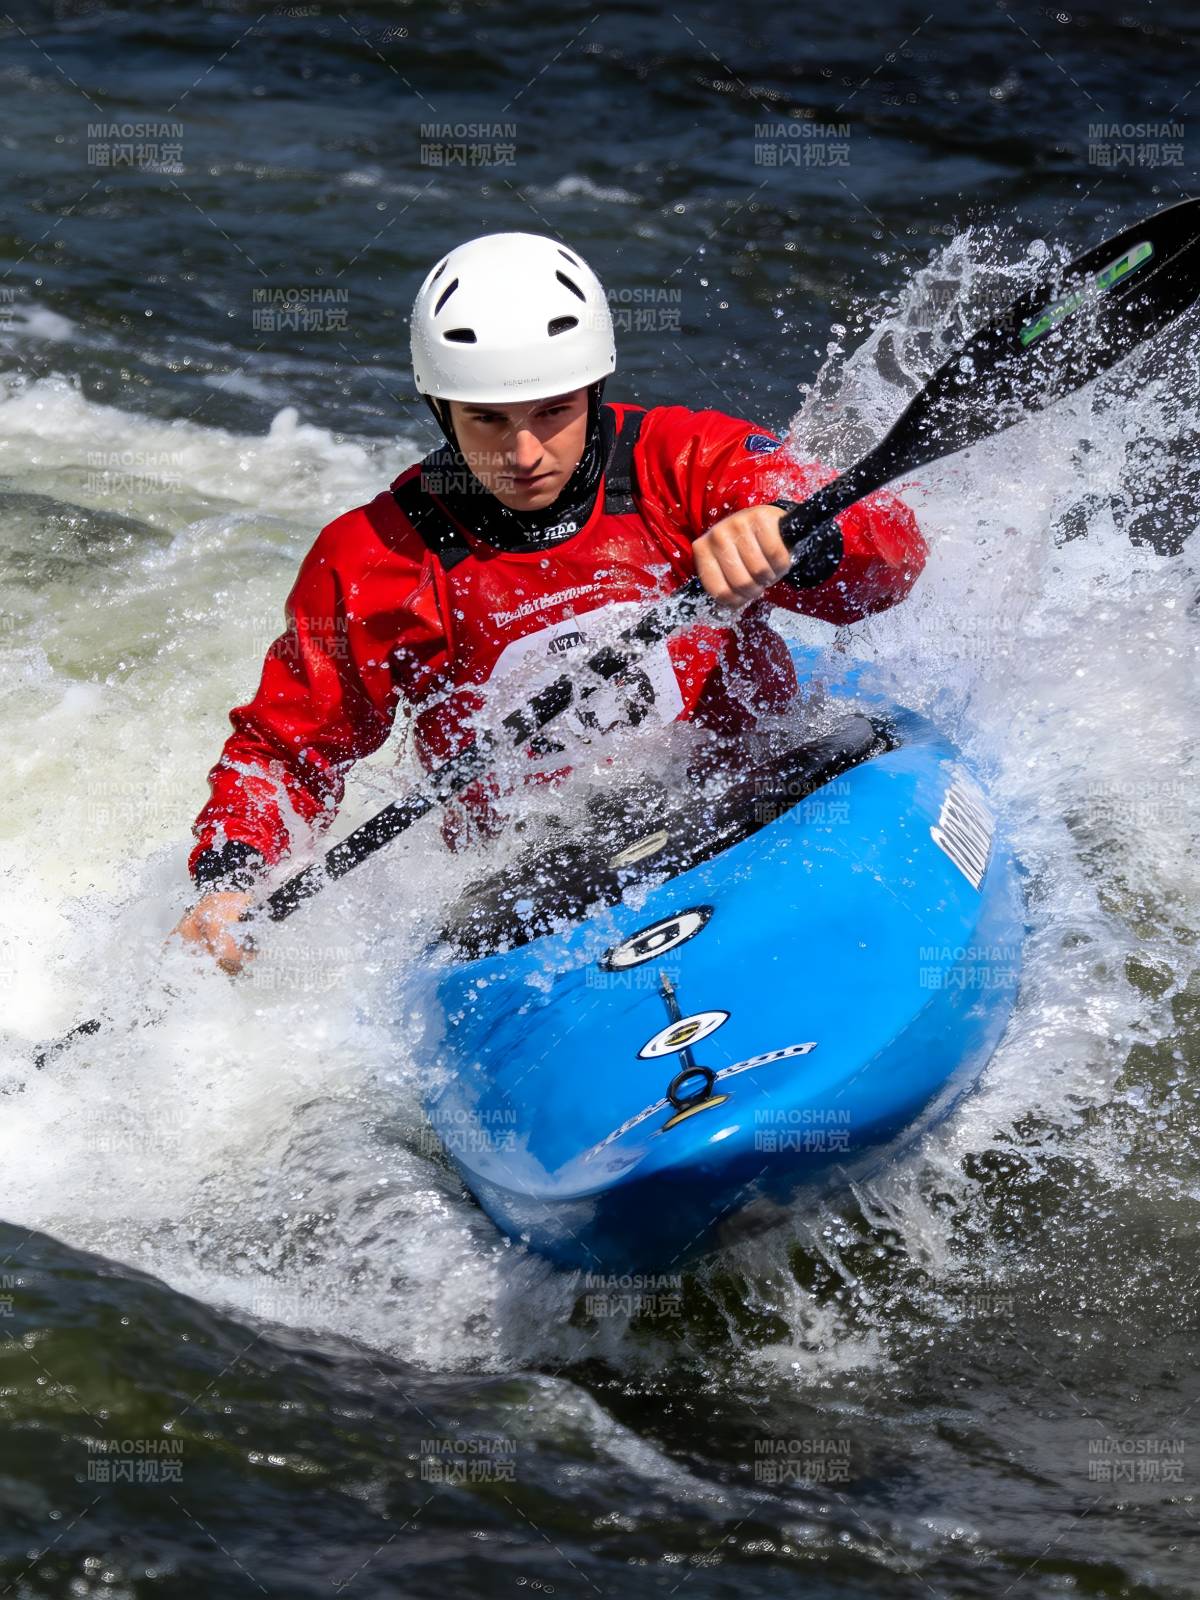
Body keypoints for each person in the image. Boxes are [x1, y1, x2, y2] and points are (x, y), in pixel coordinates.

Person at [176, 232, 928, 972]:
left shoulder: (689, 460)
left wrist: (798, 536)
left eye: (552, 411)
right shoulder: (374, 558)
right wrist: (231, 879)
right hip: (533, 890)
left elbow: (892, 559)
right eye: (489, 420)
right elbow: (285, 748)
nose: (526, 452)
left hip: (754, 804)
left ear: (594, 388)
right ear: (440, 408)